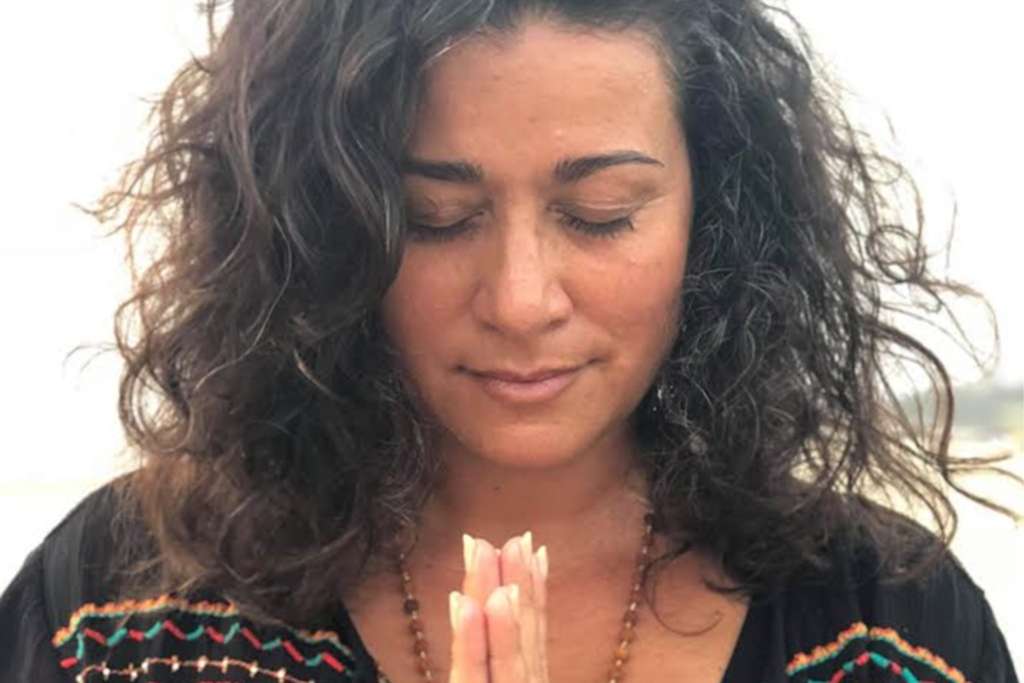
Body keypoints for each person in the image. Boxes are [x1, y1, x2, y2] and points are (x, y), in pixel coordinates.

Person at [1, 1, 1018, 681]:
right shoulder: (123, 609)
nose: (522, 300)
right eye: (435, 218)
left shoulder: (890, 627)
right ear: (322, 232)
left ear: (718, 218)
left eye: (602, 211)